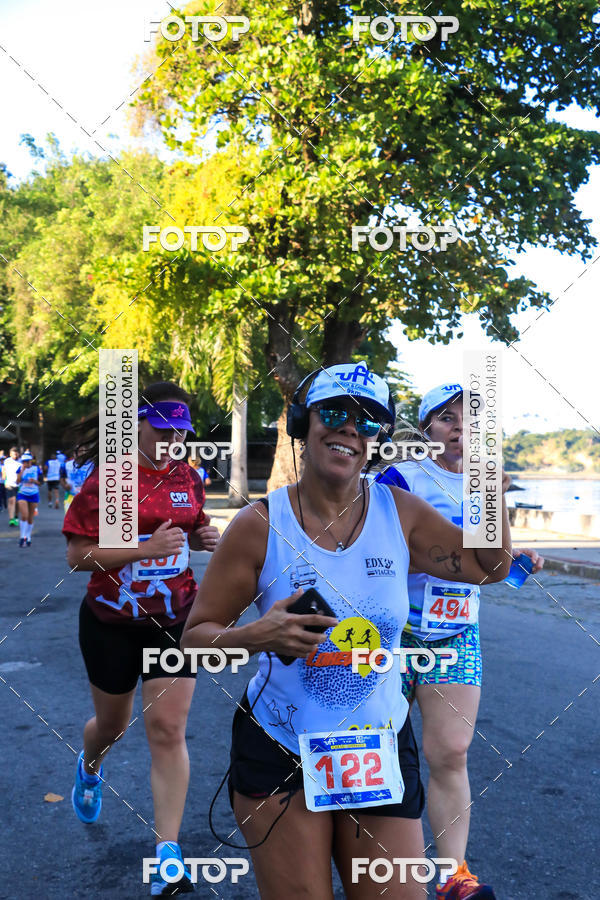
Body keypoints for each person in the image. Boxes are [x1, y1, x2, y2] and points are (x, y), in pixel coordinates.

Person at [181, 362, 513, 900]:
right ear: (300, 423)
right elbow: (194, 641)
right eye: (334, 413)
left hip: (376, 747)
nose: (349, 430)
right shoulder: (260, 526)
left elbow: (487, 568)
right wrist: (256, 635)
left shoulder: (400, 513)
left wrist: (489, 497)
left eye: (367, 422)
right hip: (280, 745)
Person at [376, 384, 543, 899]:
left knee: (450, 751)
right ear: (427, 428)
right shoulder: (401, 478)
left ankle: (453, 876)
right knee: (377, 750)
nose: (459, 428)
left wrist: (519, 561)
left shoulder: (489, 485)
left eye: (470, 420)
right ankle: (381, 869)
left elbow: (495, 561)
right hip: (395, 631)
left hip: (456, 631)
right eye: (446, 418)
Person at [63, 381, 220, 895]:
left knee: (168, 730)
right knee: (113, 726)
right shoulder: (112, 480)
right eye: (163, 428)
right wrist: (142, 547)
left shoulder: (187, 478)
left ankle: (167, 853)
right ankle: (90, 767)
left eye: (182, 431)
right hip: (110, 623)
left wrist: (203, 536)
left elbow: (192, 526)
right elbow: (79, 556)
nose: (174, 439)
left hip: (173, 621)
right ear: (137, 425)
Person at [15, 451, 42, 547]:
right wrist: (21, 471)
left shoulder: (36, 469)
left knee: (30, 518)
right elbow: (17, 482)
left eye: (27, 461)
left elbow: (41, 482)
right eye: (24, 462)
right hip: (22, 493)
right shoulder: (20, 469)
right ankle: (22, 537)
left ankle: (28, 536)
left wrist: (34, 481)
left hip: (34, 494)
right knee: (24, 516)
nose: (25, 463)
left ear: (31, 461)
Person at [3, 446, 21, 527]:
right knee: (11, 500)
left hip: (19, 484)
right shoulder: (6, 461)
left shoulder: (21, 461)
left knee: (18, 502)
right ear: (10, 454)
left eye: (17, 454)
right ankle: (11, 519)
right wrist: (4, 480)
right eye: (14, 454)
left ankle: (16, 516)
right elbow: (4, 470)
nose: (16, 455)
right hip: (9, 483)